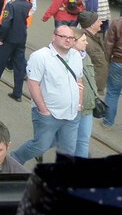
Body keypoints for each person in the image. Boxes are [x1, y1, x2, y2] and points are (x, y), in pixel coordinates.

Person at [11, 24, 83, 165]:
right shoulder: (40, 56)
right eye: (63, 37)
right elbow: (33, 84)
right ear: (54, 37)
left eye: (71, 38)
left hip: (72, 114)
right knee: (40, 146)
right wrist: (44, 110)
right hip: (49, 113)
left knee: (68, 150)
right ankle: (15, 160)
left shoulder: (76, 56)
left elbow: (79, 81)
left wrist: (79, 106)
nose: (68, 40)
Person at [71, 28, 97, 157]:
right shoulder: (66, 59)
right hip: (72, 109)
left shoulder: (85, 57)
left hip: (87, 107)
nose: (87, 43)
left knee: (83, 141)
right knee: (64, 140)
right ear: (73, 42)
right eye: (84, 40)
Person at [78, 10, 108, 95]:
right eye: (98, 21)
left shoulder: (96, 37)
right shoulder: (85, 42)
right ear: (91, 25)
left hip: (96, 86)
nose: (101, 23)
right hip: (91, 88)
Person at [101, 15, 122, 130]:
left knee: (113, 93)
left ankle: (107, 123)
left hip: (118, 62)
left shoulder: (117, 22)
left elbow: (108, 45)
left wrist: (107, 62)